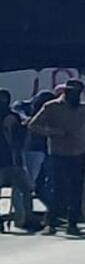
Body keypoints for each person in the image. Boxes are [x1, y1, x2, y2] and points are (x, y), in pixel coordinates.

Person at [28, 79, 85, 236]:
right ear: (65, 92)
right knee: (58, 190)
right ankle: (51, 222)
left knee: (77, 190)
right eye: (71, 91)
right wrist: (54, 133)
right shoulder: (52, 107)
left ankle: (73, 224)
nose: (74, 95)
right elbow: (33, 125)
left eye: (77, 92)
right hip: (59, 153)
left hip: (80, 153)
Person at [16, 90, 56, 225]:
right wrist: (25, 118)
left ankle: (48, 213)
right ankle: (23, 214)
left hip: (42, 149)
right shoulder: (23, 106)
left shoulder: (50, 110)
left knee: (40, 183)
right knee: (26, 183)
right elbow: (19, 112)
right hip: (27, 149)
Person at [0, 89, 34, 231]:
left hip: (14, 159)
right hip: (9, 160)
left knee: (24, 190)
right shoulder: (12, 116)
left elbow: (22, 135)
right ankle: (21, 219)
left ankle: (25, 219)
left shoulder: (14, 116)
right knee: (19, 191)